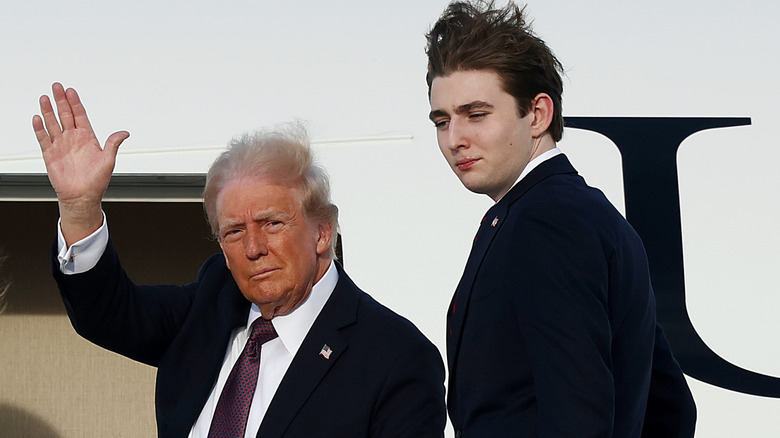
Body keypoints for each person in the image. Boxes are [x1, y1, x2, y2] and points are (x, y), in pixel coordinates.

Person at [33, 83, 446, 438]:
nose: (253, 247)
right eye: (233, 231)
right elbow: (109, 314)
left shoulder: (396, 356)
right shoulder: (213, 301)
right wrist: (80, 208)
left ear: (322, 233)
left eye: (271, 223)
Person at [425, 1, 696, 437]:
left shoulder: (546, 222)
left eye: (476, 114)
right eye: (442, 120)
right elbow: (672, 407)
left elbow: (578, 416)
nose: (455, 139)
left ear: (537, 114)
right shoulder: (588, 214)